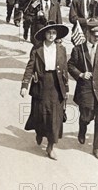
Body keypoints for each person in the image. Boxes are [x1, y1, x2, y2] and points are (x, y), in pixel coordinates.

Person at [20, 23, 70, 160]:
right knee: (40, 113)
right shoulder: (37, 49)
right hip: (41, 84)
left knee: (55, 116)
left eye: (54, 33)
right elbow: (30, 67)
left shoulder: (61, 49)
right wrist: (24, 85)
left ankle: (51, 146)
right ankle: (39, 132)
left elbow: (64, 70)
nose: (51, 35)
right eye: (49, 33)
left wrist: (66, 89)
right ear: (44, 34)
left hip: (56, 84)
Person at [68, 21, 98, 160]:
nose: (96, 38)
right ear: (87, 34)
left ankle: (97, 147)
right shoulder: (78, 49)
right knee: (86, 116)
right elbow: (70, 65)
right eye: (94, 35)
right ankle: (82, 128)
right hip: (85, 89)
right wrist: (80, 74)